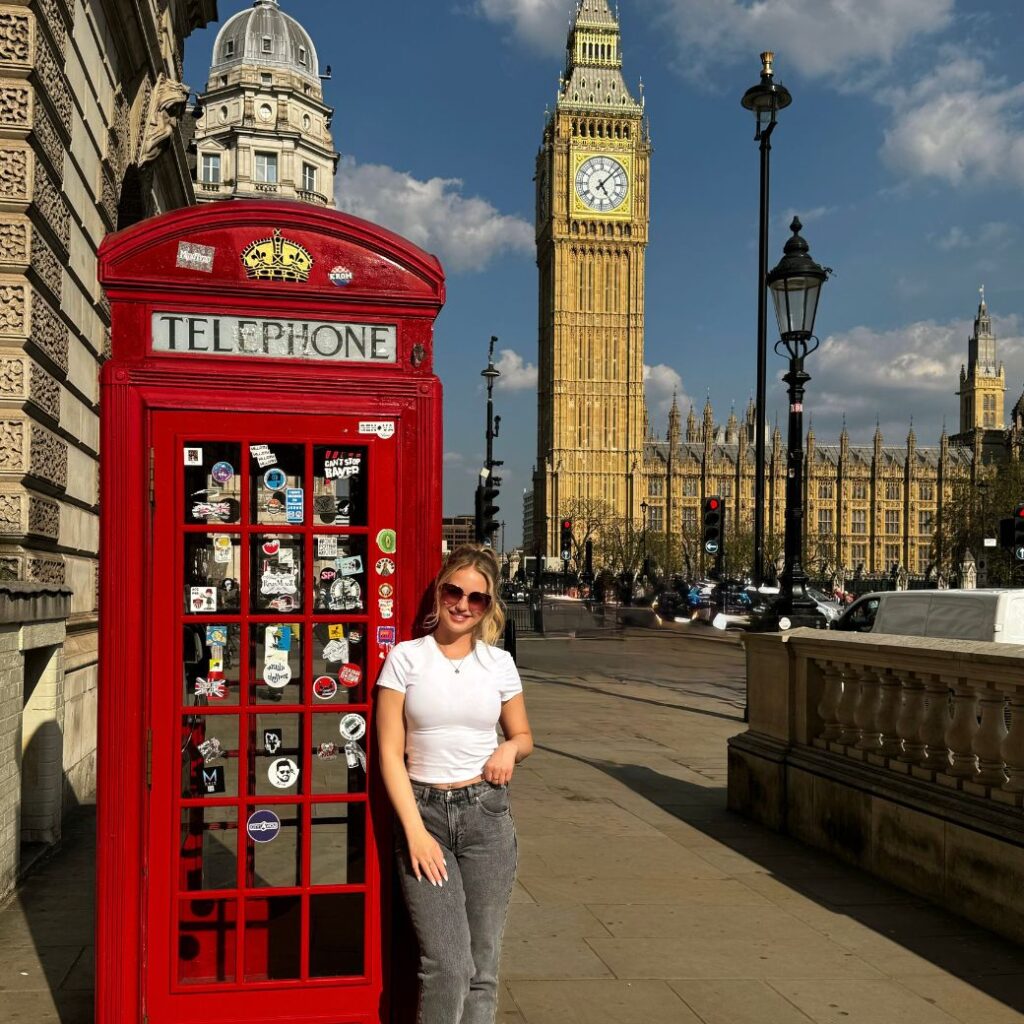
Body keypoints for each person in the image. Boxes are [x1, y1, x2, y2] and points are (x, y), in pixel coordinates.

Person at [376, 544, 533, 1024]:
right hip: (424, 815)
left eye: (477, 598)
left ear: (489, 607)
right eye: (454, 591)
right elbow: (387, 752)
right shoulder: (406, 659)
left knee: (483, 967)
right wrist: (415, 833)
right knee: (447, 964)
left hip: (485, 815)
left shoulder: (498, 664)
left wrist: (509, 749)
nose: (463, 604)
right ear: (439, 593)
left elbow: (523, 735)